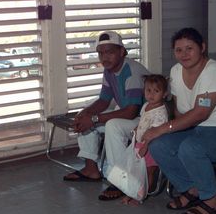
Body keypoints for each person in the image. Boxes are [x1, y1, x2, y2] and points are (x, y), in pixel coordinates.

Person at [141, 27, 216, 214]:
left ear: (202, 47)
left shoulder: (214, 71)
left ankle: (213, 199)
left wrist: (162, 128)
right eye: (178, 50)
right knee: (159, 145)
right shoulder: (175, 71)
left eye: (189, 48)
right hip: (198, 130)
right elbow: (177, 108)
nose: (184, 54)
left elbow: (200, 112)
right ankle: (192, 188)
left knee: (190, 148)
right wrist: (163, 131)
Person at [63, 31, 150, 198]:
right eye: (101, 53)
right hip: (131, 116)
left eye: (110, 52)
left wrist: (94, 118)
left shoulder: (132, 71)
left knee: (112, 125)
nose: (105, 57)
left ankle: (121, 181)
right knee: (86, 117)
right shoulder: (109, 71)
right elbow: (104, 100)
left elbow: (132, 111)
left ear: (122, 51)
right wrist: (85, 113)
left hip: (146, 119)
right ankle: (91, 169)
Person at [112, 74, 168, 205]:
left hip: (150, 146)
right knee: (135, 171)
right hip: (139, 143)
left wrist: (145, 146)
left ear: (164, 94)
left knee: (147, 172)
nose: (151, 94)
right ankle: (132, 193)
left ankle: (140, 196)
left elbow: (154, 132)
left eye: (156, 91)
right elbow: (143, 121)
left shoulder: (160, 112)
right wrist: (137, 129)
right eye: (148, 90)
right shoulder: (146, 106)